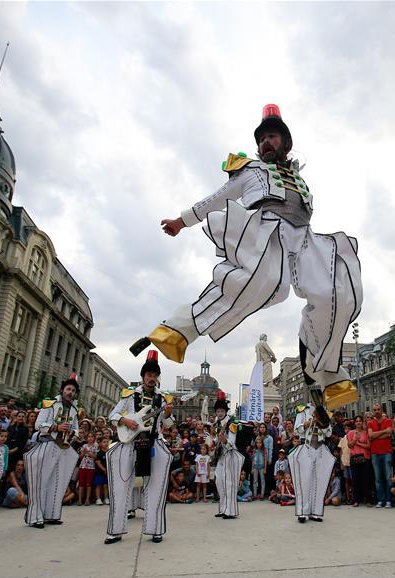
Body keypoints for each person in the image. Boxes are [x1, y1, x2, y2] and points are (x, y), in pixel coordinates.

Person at [131, 104, 363, 413]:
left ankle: (325, 371)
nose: (266, 142)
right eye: (262, 138)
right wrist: (181, 220)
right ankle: (176, 330)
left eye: (272, 137)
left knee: (337, 291)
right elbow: (216, 198)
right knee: (255, 284)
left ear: (285, 143)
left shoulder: (300, 179)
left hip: (304, 237)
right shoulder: (250, 170)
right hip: (266, 230)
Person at [105, 351, 175, 544]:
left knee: (156, 487)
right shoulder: (130, 395)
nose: (152, 378)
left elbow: (168, 425)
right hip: (130, 442)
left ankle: (156, 529)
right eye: (149, 375)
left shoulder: (163, 398)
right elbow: (113, 415)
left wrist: (168, 414)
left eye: (155, 375)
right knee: (121, 485)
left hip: (154, 442)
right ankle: (115, 530)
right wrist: (127, 421)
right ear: (143, 377)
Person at [23, 373, 80, 529]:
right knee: (41, 481)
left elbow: (76, 428)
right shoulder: (50, 403)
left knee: (58, 482)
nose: (70, 393)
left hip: (64, 448)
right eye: (68, 389)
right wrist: (56, 427)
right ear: (62, 390)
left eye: (73, 391)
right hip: (48, 445)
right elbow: (38, 425)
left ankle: (51, 514)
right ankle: (35, 517)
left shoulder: (74, 409)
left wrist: (73, 433)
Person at [289, 402, 336, 523]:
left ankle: (316, 512)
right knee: (304, 481)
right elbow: (296, 430)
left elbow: (329, 433)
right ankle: (303, 512)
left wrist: (321, 422)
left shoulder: (325, 411)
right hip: (306, 447)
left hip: (320, 449)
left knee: (320, 481)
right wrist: (307, 424)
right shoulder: (303, 410)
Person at [209, 391, 243, 518]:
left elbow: (232, 444)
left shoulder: (232, 423)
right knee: (219, 482)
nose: (219, 413)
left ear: (226, 411)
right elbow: (216, 440)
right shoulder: (217, 424)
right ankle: (223, 508)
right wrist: (214, 443)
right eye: (218, 411)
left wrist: (224, 441)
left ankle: (231, 511)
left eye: (222, 411)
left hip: (230, 455)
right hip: (221, 456)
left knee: (229, 483)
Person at [368, 402, 394, 508]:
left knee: (388, 477)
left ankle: (388, 500)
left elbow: (389, 434)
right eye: (375, 410)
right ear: (373, 411)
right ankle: (381, 500)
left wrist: (376, 435)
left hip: (386, 452)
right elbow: (370, 436)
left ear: (382, 410)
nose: (377, 411)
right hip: (375, 453)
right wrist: (383, 432)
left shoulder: (388, 421)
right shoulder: (370, 423)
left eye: (378, 409)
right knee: (378, 478)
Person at [347, 415, 371, 507]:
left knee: (366, 479)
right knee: (355, 480)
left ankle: (367, 499)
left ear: (362, 422)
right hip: (354, 458)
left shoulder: (366, 433)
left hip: (365, 458)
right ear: (354, 423)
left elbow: (368, 446)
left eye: (360, 421)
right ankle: (356, 500)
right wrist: (355, 439)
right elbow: (350, 445)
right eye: (356, 421)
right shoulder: (350, 433)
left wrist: (358, 443)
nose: (358, 422)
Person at [77, 432, 98, 506]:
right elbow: (80, 457)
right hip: (82, 466)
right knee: (81, 484)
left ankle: (87, 500)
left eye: (92, 436)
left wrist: (88, 452)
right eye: (89, 436)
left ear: (94, 438)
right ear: (87, 438)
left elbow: (95, 457)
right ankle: (79, 500)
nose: (90, 438)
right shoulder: (84, 445)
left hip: (91, 467)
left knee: (88, 484)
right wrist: (83, 453)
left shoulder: (95, 446)